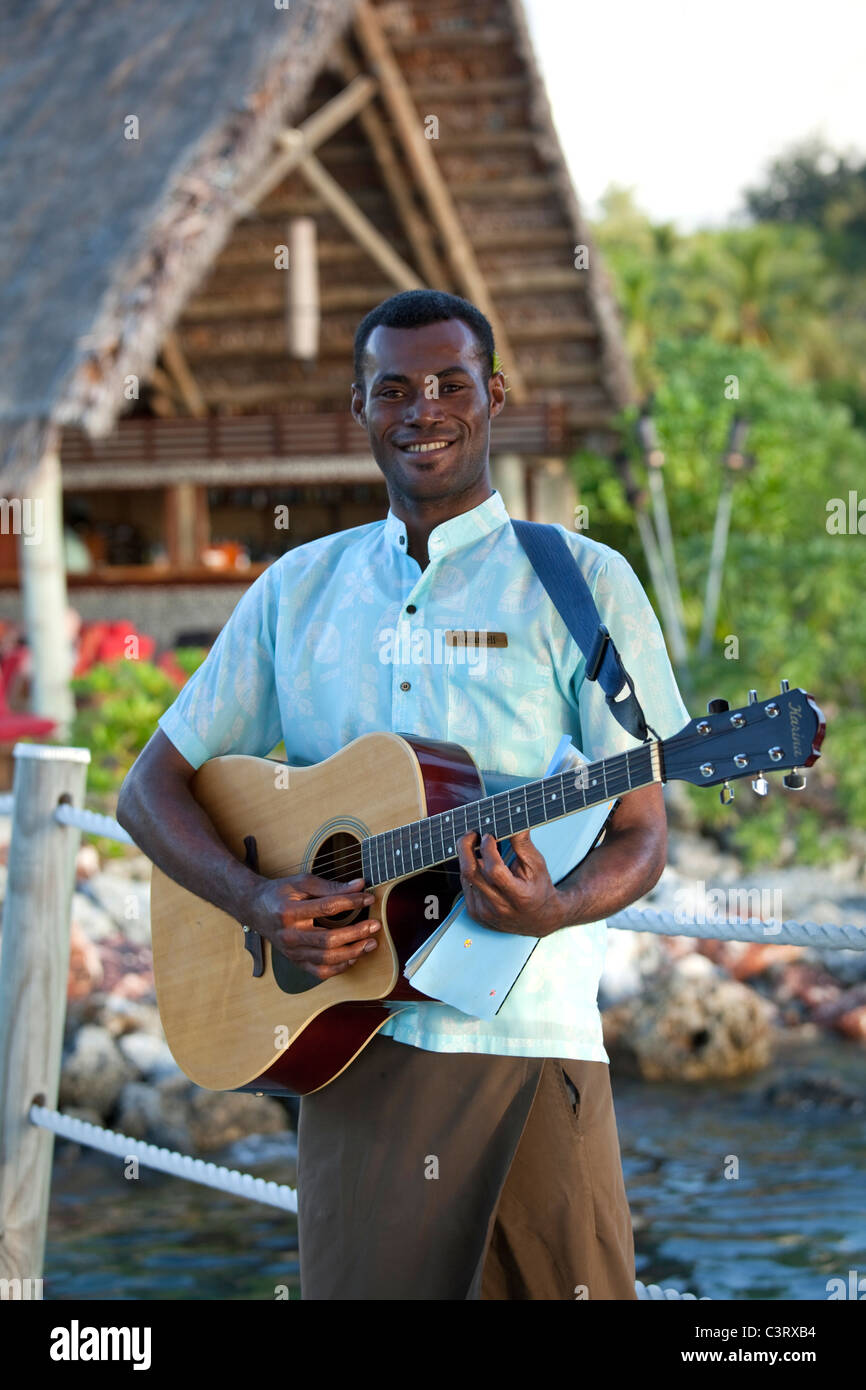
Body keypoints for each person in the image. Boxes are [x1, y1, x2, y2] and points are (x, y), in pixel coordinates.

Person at [117, 289, 690, 1300]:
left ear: (493, 395)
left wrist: (553, 906)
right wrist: (256, 899)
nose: (421, 409)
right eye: (393, 388)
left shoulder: (582, 584)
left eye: (448, 384)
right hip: (348, 1048)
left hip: (529, 1039)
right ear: (359, 406)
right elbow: (147, 789)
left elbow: (642, 829)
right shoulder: (296, 590)